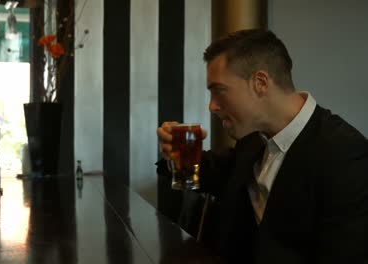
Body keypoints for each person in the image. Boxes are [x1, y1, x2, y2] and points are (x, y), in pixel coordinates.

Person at [156, 29, 368, 264]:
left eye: (219, 91)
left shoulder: (347, 155)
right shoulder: (253, 139)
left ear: (260, 83)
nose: (212, 106)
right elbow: (213, 173)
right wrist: (175, 153)